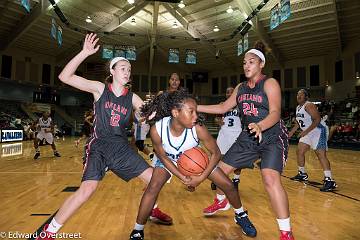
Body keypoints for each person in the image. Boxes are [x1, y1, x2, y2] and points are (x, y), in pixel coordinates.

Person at [36, 33, 171, 240]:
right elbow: (65, 77)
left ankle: (152, 208)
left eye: (129, 69)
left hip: (121, 147)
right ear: (113, 71)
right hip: (99, 145)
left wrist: (150, 115)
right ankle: (49, 231)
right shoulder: (100, 89)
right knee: (87, 189)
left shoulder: (132, 97)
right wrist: (84, 53)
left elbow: (143, 116)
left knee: (156, 178)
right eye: (123, 68)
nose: (127, 72)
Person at [197, 41, 294, 240]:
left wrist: (261, 125)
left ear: (261, 64)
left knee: (270, 179)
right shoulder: (240, 88)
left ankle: (286, 232)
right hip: (248, 137)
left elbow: (275, 113)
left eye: (251, 62)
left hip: (272, 137)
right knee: (217, 172)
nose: (247, 65)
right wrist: (195, 107)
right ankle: (223, 201)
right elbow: (223, 107)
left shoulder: (269, 83)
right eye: (244, 62)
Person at [129, 89, 257, 240]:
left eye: (196, 111)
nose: (196, 116)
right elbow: (163, 157)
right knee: (153, 187)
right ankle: (138, 230)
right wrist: (183, 177)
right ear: (175, 113)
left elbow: (215, 153)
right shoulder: (157, 129)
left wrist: (200, 178)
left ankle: (240, 215)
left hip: (194, 158)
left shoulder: (198, 128)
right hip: (168, 160)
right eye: (191, 112)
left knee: (227, 185)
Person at [288, 89, 337, 192]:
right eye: (297, 94)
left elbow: (317, 119)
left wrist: (306, 132)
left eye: (301, 94)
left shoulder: (309, 105)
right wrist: (291, 132)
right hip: (308, 132)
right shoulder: (298, 107)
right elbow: (298, 123)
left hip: (318, 131)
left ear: (306, 97)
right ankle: (302, 174)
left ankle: (329, 180)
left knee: (320, 154)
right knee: (299, 151)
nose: (298, 96)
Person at [211, 87, 242, 190]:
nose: (229, 94)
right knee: (219, 158)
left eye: (231, 92)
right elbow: (216, 118)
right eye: (227, 92)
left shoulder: (241, 105)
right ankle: (217, 179)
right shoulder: (222, 104)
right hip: (224, 135)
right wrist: (218, 121)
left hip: (237, 135)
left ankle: (236, 180)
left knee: (237, 160)